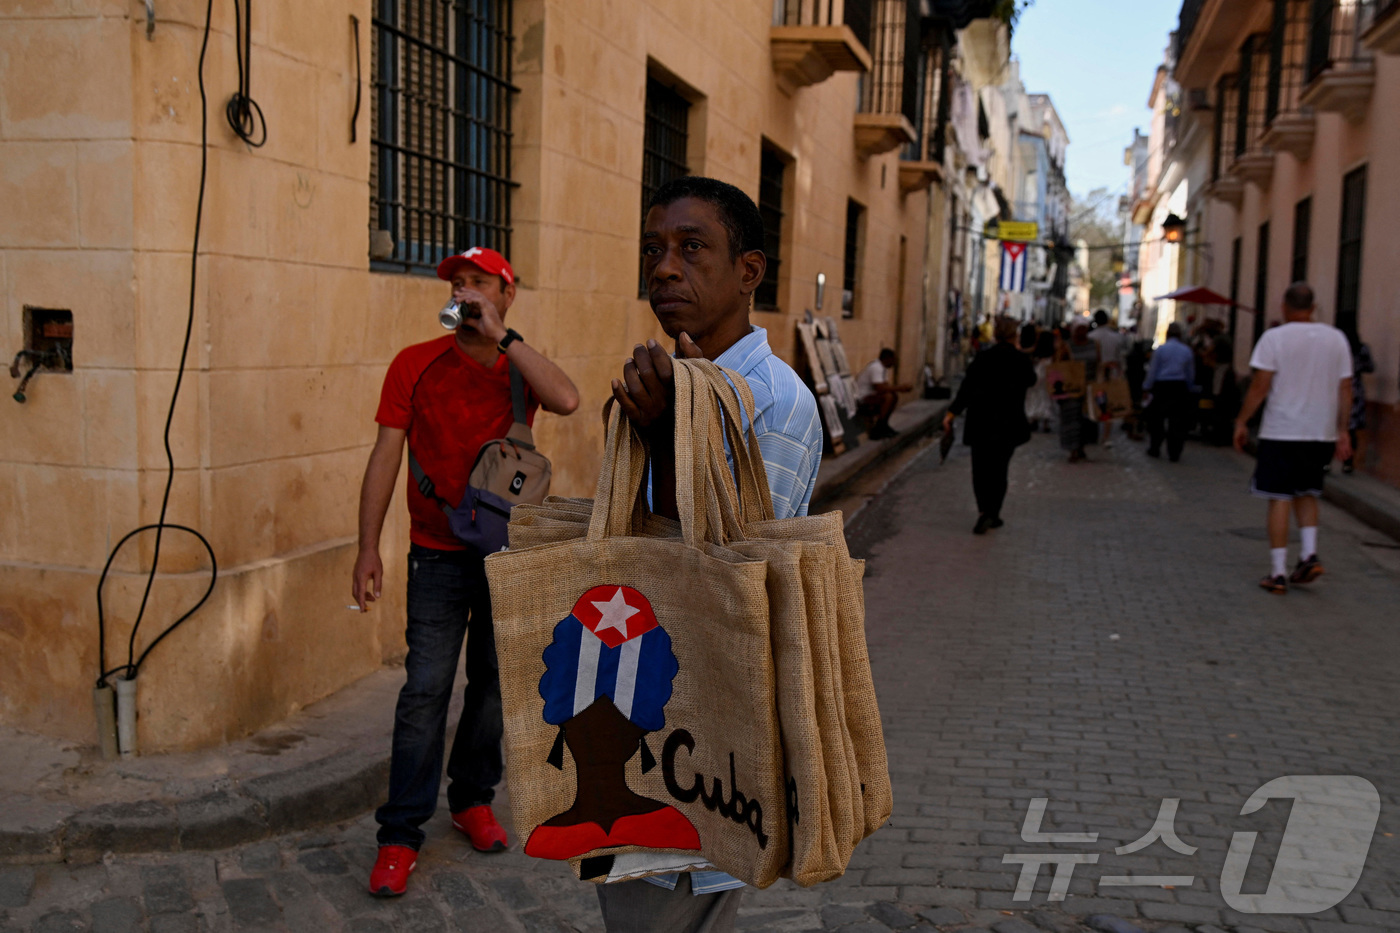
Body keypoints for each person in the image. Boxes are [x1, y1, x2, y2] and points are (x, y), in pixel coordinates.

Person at [604, 176, 824, 931]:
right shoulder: (681, 381)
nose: (664, 268)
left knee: (660, 912)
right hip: (636, 708)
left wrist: (670, 439)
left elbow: (733, 583)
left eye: (692, 248)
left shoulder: (776, 401)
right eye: (654, 250)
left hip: (702, 735)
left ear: (749, 271)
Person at [354, 246, 580, 896]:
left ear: (506, 294)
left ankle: (473, 798)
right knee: (424, 689)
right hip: (435, 552)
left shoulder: (517, 363)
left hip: (507, 554)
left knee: (492, 685)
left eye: (479, 281)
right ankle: (399, 833)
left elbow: (565, 398)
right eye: (458, 281)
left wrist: (504, 336)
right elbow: (384, 457)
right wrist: (367, 548)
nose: (463, 288)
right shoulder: (414, 363)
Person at [1233, 282, 1353, 595]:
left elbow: (1260, 386)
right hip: (1320, 432)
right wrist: (1342, 430)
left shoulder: (1274, 338)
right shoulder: (1336, 339)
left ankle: (1277, 572)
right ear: (1313, 307)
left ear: (1284, 307)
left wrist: (1242, 421)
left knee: (1280, 497)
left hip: (1283, 430)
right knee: (1308, 491)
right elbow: (1345, 388)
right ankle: (1309, 555)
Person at [943, 316, 1037, 534]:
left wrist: (952, 413)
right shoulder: (1021, 360)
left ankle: (983, 511)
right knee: (999, 470)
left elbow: (966, 390)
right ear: (1015, 336)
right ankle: (993, 513)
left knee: (981, 470)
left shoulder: (983, 358)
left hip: (981, 422)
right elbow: (1031, 381)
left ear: (995, 335)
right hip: (1008, 423)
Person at [1143, 322, 1196, 462]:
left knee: (1157, 419)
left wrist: (1147, 386)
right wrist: (1189, 388)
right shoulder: (1186, 350)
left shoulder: (1161, 350)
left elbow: (1153, 370)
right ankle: (1174, 452)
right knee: (1177, 421)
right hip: (1179, 387)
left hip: (1162, 386)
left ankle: (1155, 448)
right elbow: (1190, 373)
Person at [1054, 323, 1099, 462]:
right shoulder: (1066, 346)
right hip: (1072, 388)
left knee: (1087, 418)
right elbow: (1058, 364)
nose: (1081, 332)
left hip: (1089, 386)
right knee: (1071, 419)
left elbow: (1099, 362)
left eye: (1083, 329)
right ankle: (1073, 449)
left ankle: (1082, 447)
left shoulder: (1095, 344)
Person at [1087, 310, 1127, 448]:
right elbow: (1120, 357)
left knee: (1094, 402)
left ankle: (1092, 433)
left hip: (1096, 374)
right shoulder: (1117, 337)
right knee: (1108, 404)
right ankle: (1106, 435)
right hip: (1111, 373)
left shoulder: (1090, 336)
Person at [855, 348, 912, 439]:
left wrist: (899, 388)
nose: (894, 363)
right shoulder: (876, 367)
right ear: (887, 358)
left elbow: (886, 386)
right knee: (888, 397)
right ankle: (878, 427)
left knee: (893, 396)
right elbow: (880, 388)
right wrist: (900, 388)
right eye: (893, 360)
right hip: (863, 398)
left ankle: (884, 424)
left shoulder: (883, 369)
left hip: (872, 395)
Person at [1344, 333, 1375, 473]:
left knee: (1333, 429)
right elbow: (1370, 367)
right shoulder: (1362, 349)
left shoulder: (1339, 346)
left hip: (1339, 388)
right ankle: (1348, 463)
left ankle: (1326, 464)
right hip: (1355, 389)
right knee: (1351, 430)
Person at [1024, 330, 1058, 432]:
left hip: (1039, 374)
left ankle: (1033, 418)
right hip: (1048, 375)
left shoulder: (1037, 351)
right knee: (1046, 397)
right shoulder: (1053, 352)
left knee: (1034, 397)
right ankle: (1045, 422)